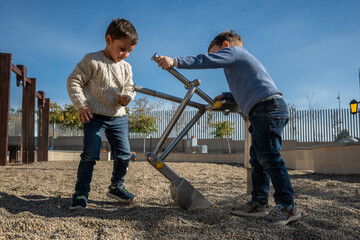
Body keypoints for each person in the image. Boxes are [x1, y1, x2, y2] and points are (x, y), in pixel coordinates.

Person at [155, 31, 301, 225]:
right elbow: (249, 86)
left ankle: (287, 206)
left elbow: (205, 60)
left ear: (225, 45)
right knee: (258, 159)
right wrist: (227, 95)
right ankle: (258, 203)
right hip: (264, 110)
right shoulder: (244, 61)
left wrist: (175, 61)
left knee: (269, 157)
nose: (218, 60)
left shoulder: (234, 52)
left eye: (217, 54)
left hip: (267, 109)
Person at [67, 18, 138, 210]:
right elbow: (74, 81)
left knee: (124, 155)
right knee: (90, 154)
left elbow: (131, 88)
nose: (126, 54)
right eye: (122, 49)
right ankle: (81, 193)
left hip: (118, 117)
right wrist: (81, 105)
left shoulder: (126, 67)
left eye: (130, 51)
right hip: (95, 116)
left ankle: (116, 186)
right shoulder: (92, 60)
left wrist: (127, 98)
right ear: (108, 40)